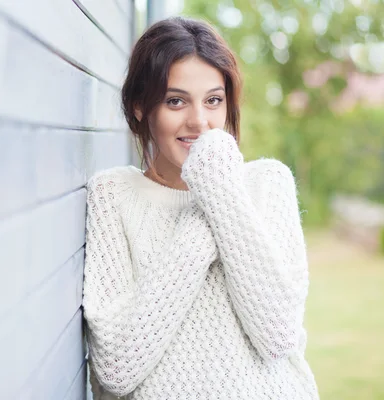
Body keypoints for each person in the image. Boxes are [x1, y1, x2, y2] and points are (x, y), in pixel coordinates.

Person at [82, 16, 320, 399]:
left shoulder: (267, 185)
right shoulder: (113, 195)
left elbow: (278, 336)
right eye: (175, 101)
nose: (200, 122)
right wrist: (209, 205)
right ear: (141, 106)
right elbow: (116, 367)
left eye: (213, 100)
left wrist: (222, 190)